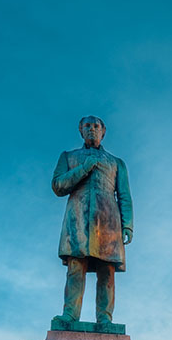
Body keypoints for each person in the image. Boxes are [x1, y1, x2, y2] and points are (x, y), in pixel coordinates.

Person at [51, 116, 134, 326]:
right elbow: (58, 186)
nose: (92, 130)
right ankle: (70, 315)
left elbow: (124, 195)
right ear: (81, 130)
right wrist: (84, 168)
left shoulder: (116, 163)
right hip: (77, 219)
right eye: (87, 126)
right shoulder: (69, 157)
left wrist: (127, 225)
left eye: (96, 126)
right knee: (75, 268)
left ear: (103, 131)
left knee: (107, 271)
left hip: (108, 222)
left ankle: (105, 319)